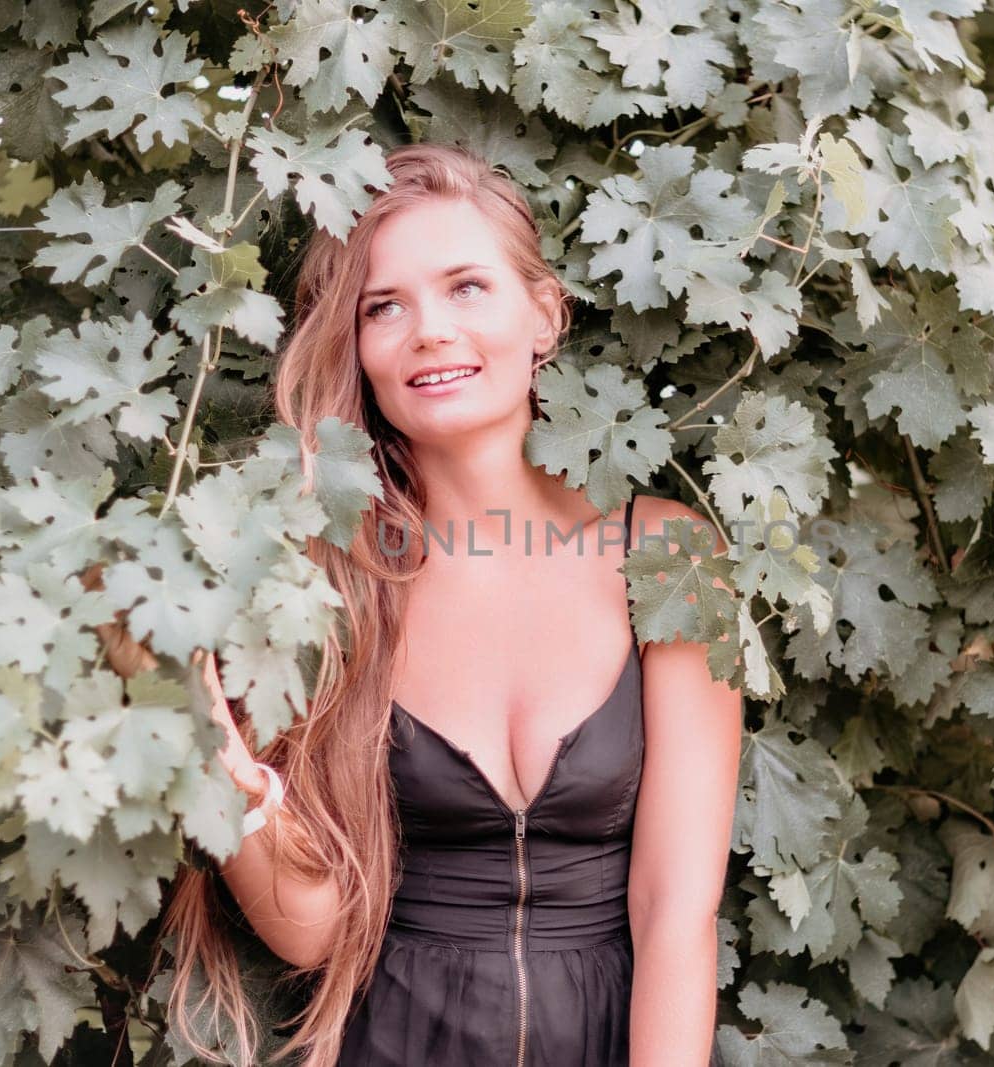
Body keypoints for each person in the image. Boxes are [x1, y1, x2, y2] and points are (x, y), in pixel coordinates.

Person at [150, 142, 743, 1065]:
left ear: (543, 313)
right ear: (357, 348)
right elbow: (310, 931)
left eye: (468, 286)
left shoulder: (666, 553)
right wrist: (201, 733)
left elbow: (677, 910)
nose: (429, 330)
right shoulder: (320, 578)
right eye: (383, 306)